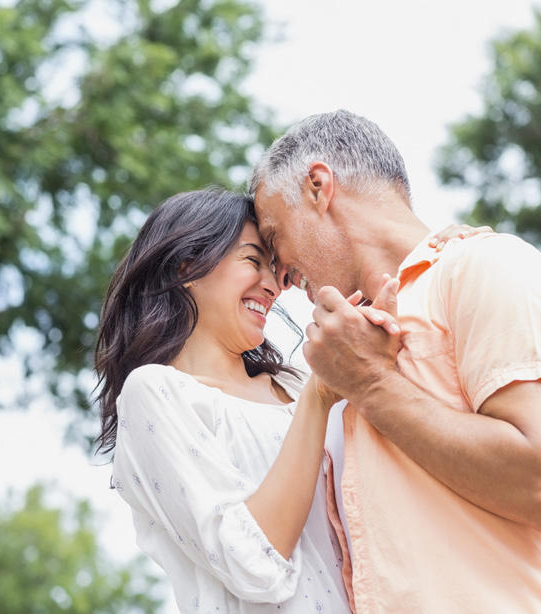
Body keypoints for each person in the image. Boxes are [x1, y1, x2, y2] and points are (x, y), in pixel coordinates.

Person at [249, 110, 541, 613]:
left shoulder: (490, 267)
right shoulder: (345, 353)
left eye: (274, 239)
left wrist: (371, 383)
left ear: (319, 186)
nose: (279, 277)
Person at [94, 188, 404, 613]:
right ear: (188, 266)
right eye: (253, 261)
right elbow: (254, 564)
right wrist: (319, 395)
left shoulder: (297, 384)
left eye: (275, 269)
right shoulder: (155, 393)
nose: (274, 286)